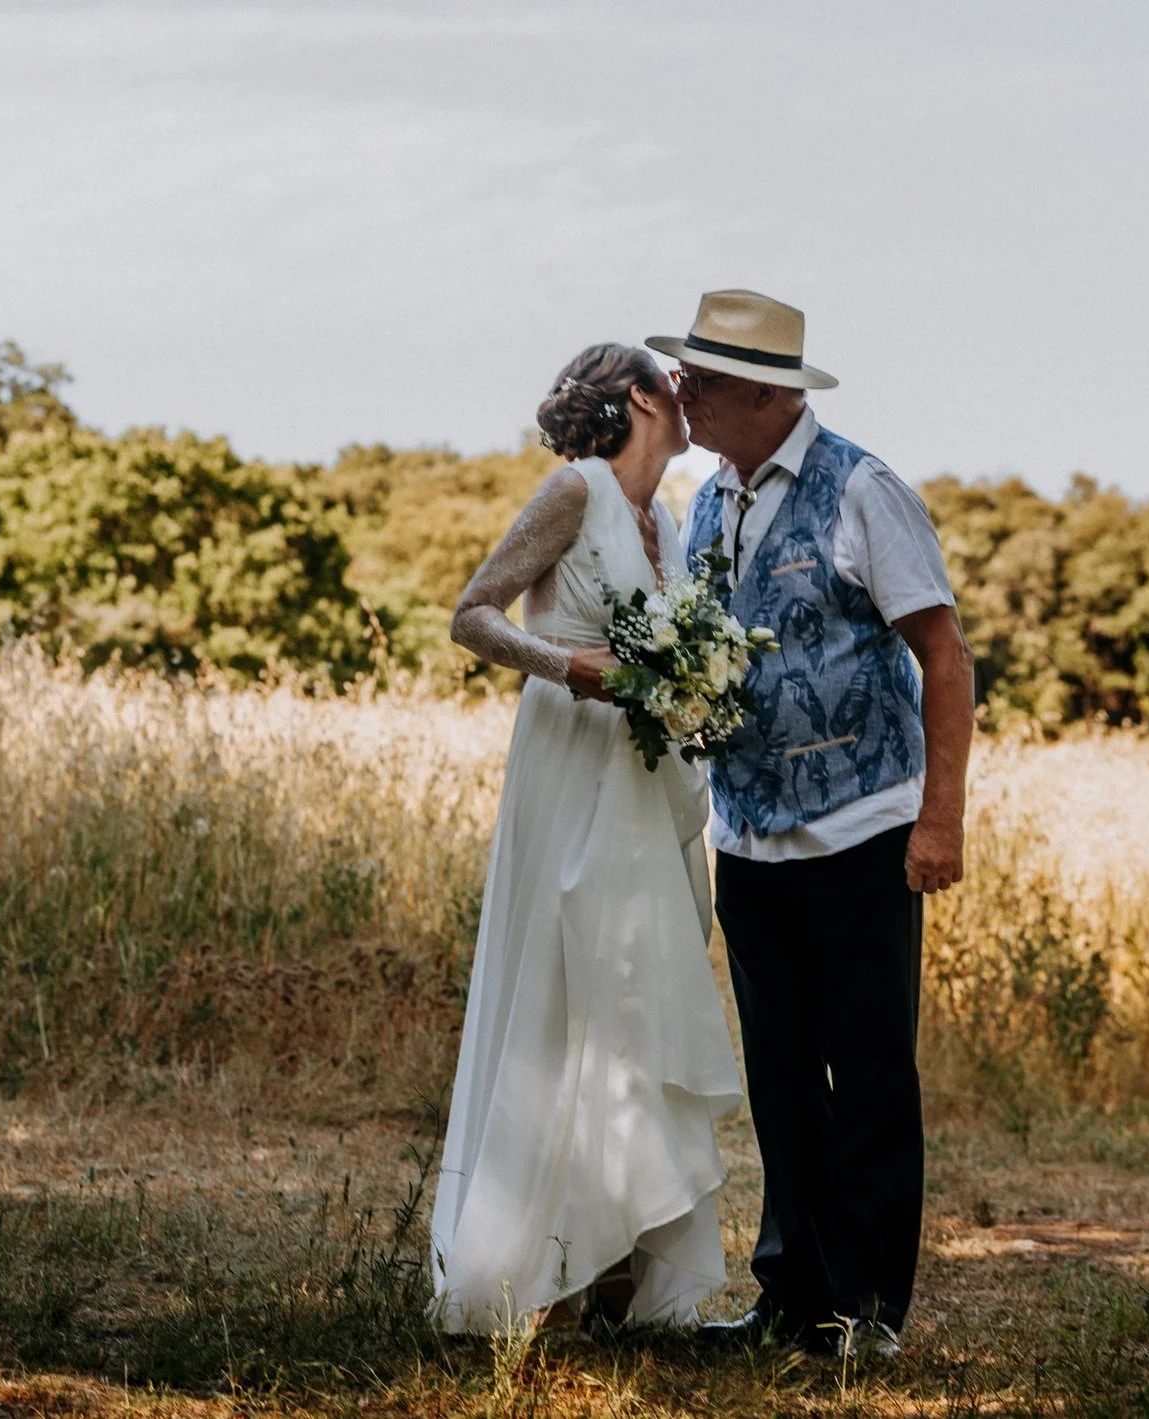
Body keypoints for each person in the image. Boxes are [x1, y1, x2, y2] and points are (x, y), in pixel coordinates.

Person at [646, 290, 975, 1359]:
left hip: (862, 830)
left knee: (868, 1072)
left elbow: (942, 654)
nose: (679, 394)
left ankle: (868, 1312)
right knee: (779, 1076)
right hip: (747, 840)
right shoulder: (706, 499)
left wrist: (939, 820)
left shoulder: (862, 489)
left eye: (697, 378)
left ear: (759, 390)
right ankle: (788, 1299)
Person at [429, 343, 744, 1336]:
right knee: (571, 992)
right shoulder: (573, 492)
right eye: (676, 387)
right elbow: (470, 616)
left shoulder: (669, 521)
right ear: (645, 399)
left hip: (647, 782)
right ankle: (540, 1269)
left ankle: (618, 1264)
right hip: (572, 764)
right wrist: (573, 670)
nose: (690, 403)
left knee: (642, 994)